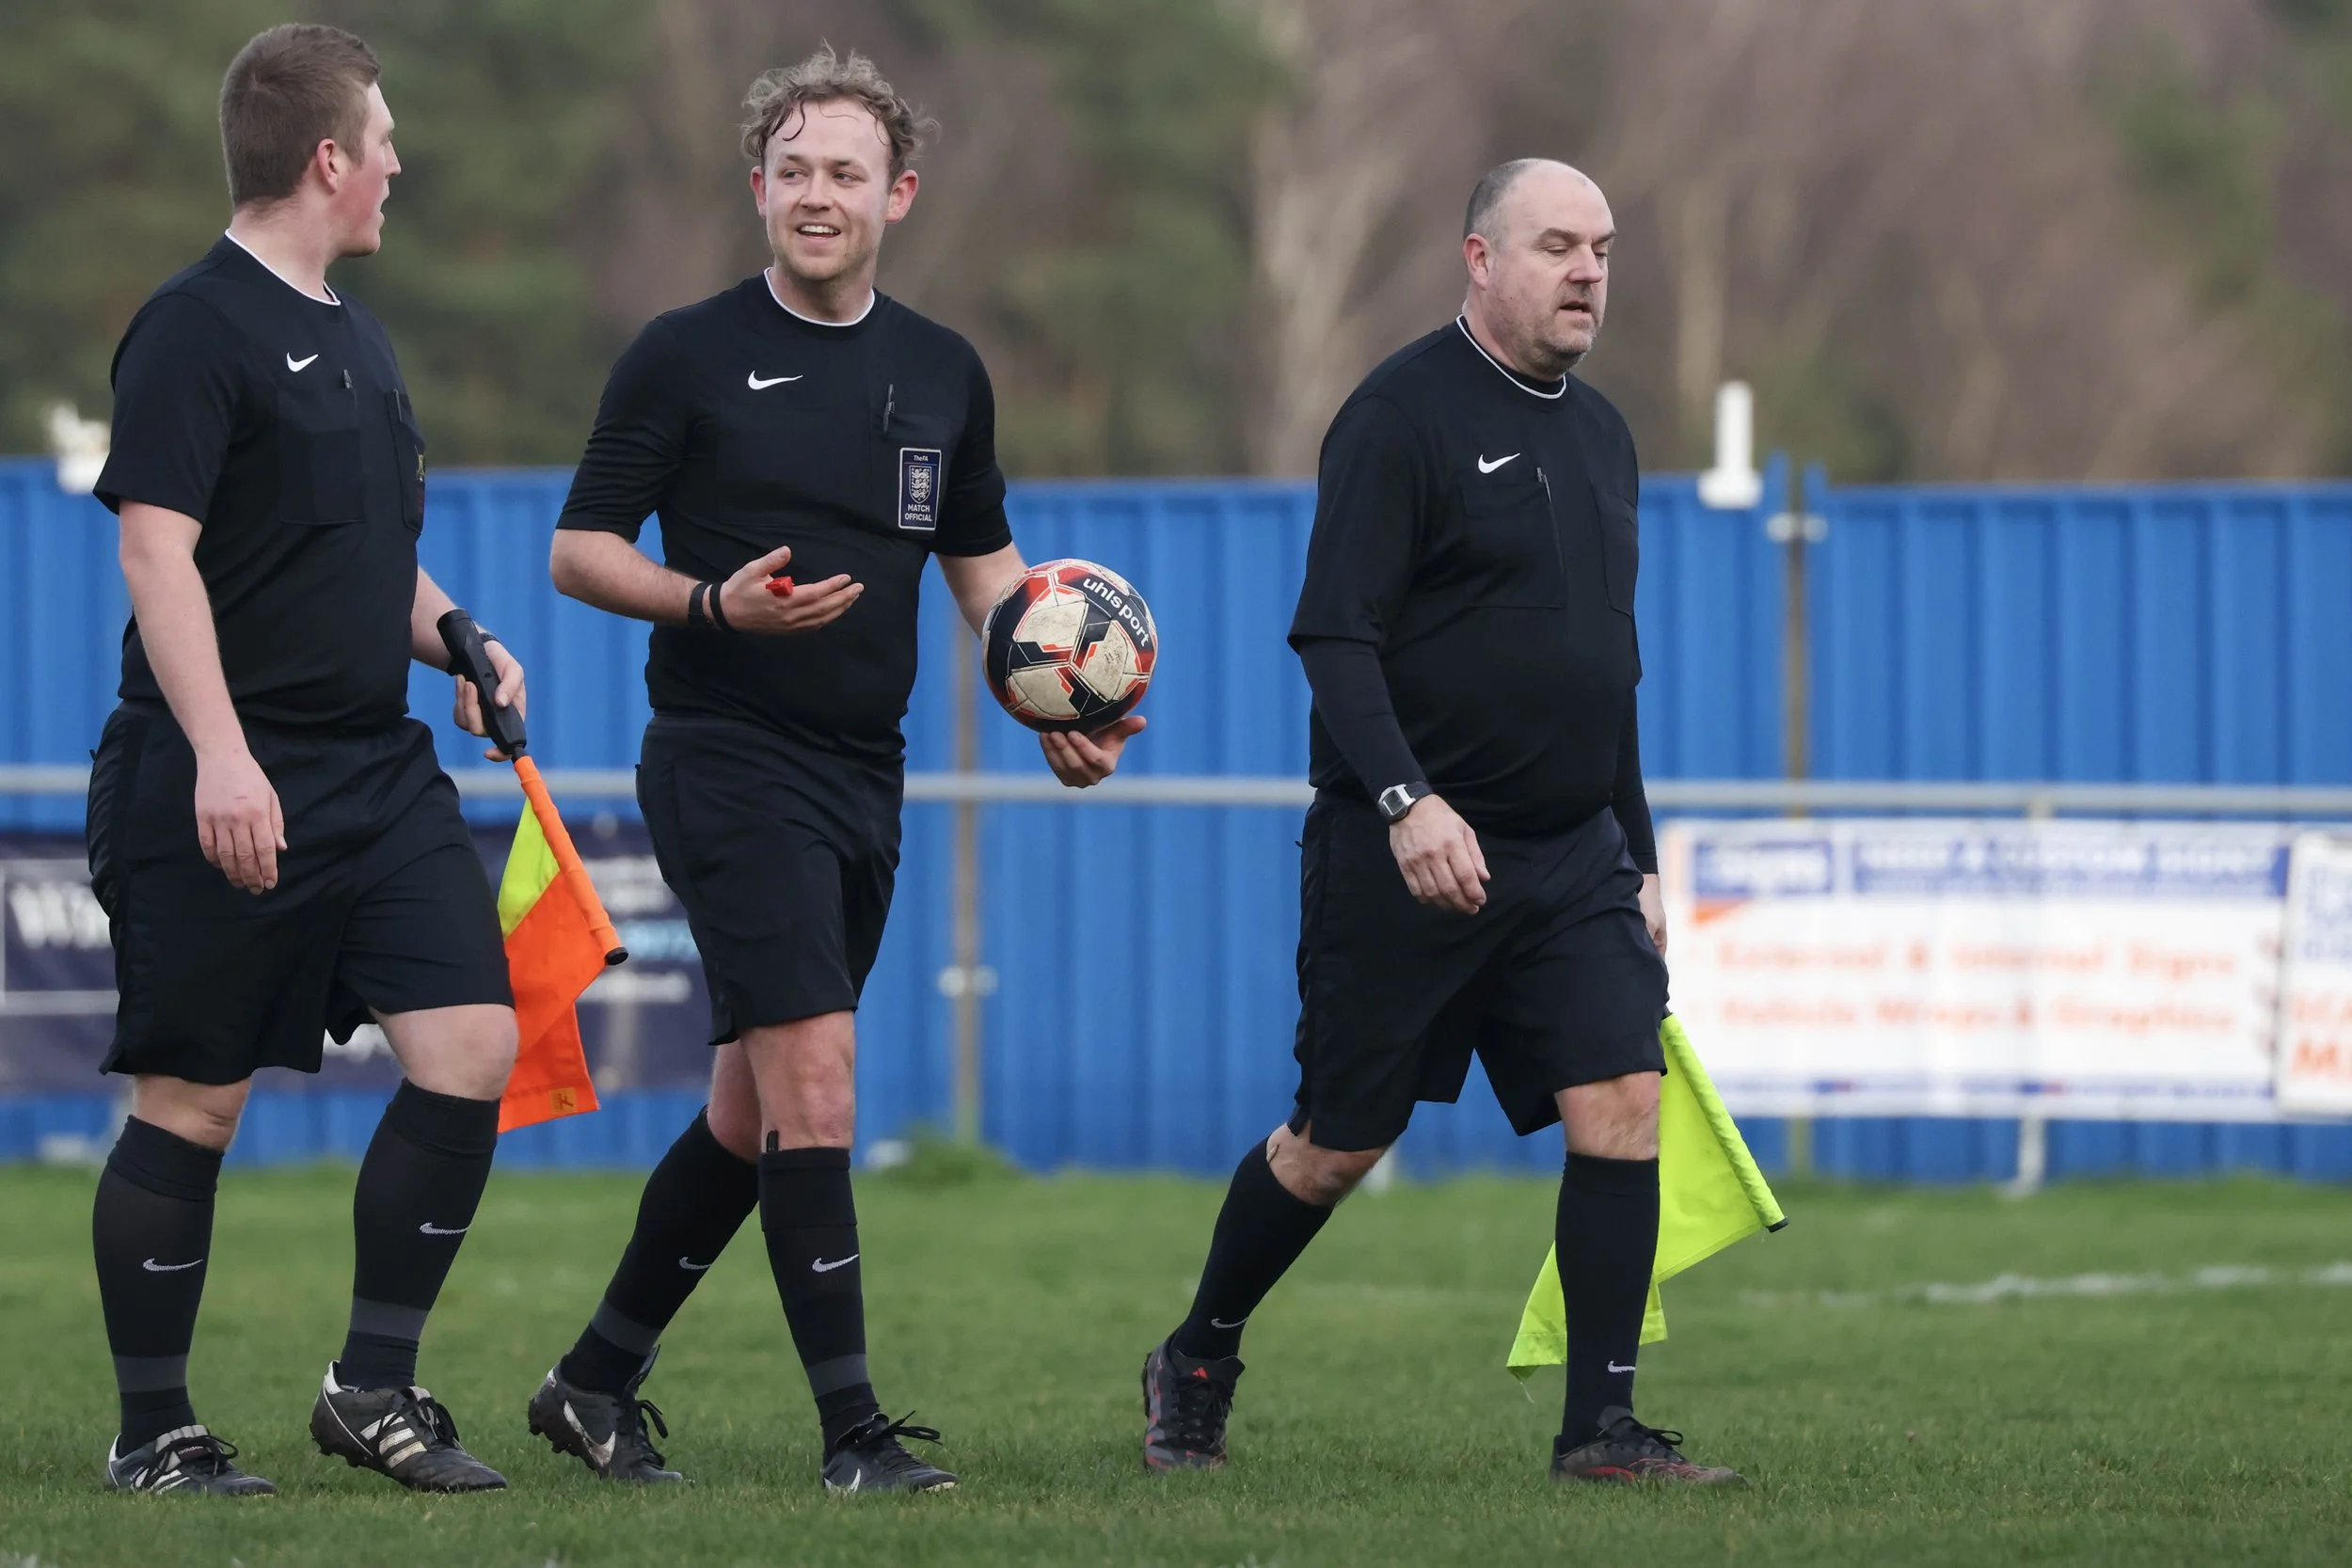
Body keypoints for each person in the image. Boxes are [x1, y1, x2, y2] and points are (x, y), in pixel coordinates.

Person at [527, 44, 1141, 1493]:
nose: (818, 194)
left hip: (868, 774)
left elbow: (984, 569)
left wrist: (1047, 696)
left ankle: (591, 1381)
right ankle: (855, 1435)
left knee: (752, 1114)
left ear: (898, 194)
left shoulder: (943, 371)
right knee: (819, 1078)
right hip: (724, 758)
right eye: (793, 169)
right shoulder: (682, 352)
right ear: (758, 186)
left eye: (845, 174)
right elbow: (578, 550)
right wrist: (709, 602)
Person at [1137, 160, 1741, 1485]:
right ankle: (1197, 1354)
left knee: (1623, 1097)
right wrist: (1409, 804)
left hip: (1572, 856)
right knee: (1336, 1146)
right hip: (1405, 853)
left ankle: (1600, 1432)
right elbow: (1332, 635)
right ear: (1479, 257)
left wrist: (1638, 854)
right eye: (1557, 245)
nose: (1588, 271)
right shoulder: (1397, 415)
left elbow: (1609, 668)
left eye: (1603, 248)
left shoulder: (1605, 434)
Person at [86, 24, 528, 1496]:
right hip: (219, 766)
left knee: (472, 1047)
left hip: (376, 774)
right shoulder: (191, 326)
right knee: (194, 1101)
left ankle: (373, 1389)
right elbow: (158, 553)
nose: (400, 163)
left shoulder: (358, 335)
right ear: (329, 159)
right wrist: (221, 756)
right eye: (384, 140)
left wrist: (458, 633)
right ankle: (154, 1430)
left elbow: (364, 558)